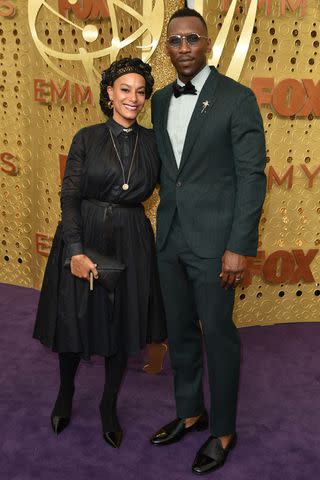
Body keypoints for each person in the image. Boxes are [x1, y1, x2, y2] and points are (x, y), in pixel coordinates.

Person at [150, 8, 266, 475]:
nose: (183, 49)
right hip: (171, 237)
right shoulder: (158, 100)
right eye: (174, 41)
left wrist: (239, 245)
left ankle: (222, 431)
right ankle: (190, 411)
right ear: (167, 47)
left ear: (209, 42)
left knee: (217, 336)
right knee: (179, 332)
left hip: (217, 243)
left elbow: (251, 176)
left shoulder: (237, 99)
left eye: (192, 39)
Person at [33, 57, 166, 449]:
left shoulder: (153, 143)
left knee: (120, 324)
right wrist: (73, 249)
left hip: (131, 238)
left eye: (141, 92)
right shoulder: (87, 137)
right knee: (75, 318)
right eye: (125, 89)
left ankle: (109, 405)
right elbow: (69, 195)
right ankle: (65, 393)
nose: (133, 98)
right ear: (109, 93)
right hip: (85, 232)